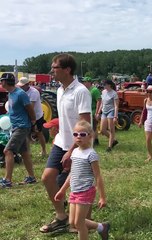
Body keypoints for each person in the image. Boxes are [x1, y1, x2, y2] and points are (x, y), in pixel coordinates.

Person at [40, 53, 92, 233]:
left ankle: (83, 222)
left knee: (80, 184)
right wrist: (57, 133)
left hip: (79, 145)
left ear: (67, 69)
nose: (52, 71)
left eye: (55, 68)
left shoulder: (80, 91)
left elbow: (84, 125)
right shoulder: (61, 89)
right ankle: (61, 216)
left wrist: (72, 150)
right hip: (61, 142)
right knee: (47, 177)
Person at [54, 120, 109, 240]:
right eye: (75, 134)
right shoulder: (74, 152)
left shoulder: (91, 154)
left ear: (90, 136)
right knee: (73, 222)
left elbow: (98, 176)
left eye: (82, 134)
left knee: (79, 223)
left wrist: (102, 197)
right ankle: (102, 227)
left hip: (85, 191)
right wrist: (63, 190)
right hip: (74, 191)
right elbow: (72, 173)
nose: (78, 137)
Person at [0, 73, 37, 188]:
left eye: (1, 81)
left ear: (6, 82)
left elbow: (30, 108)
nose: (0, 83)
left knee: (8, 151)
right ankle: (31, 177)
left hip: (22, 127)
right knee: (24, 153)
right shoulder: (10, 94)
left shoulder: (20, 94)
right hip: (16, 126)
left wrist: (33, 121)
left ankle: (7, 180)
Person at [17, 77, 48, 157]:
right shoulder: (20, 91)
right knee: (26, 134)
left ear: (27, 85)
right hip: (26, 116)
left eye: (22, 86)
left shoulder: (34, 92)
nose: (20, 87)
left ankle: (44, 150)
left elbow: (31, 107)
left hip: (36, 116)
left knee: (39, 133)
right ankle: (28, 152)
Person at [96, 80, 119, 152]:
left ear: (109, 85)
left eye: (105, 84)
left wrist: (115, 116)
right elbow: (102, 104)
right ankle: (113, 140)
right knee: (102, 130)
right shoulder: (103, 92)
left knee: (111, 129)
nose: (104, 86)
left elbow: (116, 106)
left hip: (111, 111)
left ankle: (109, 147)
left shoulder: (114, 93)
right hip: (104, 111)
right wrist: (98, 113)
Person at [81, 77, 101, 145]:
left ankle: (93, 140)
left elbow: (99, 101)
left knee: (92, 127)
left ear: (89, 82)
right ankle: (95, 140)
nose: (83, 83)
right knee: (91, 127)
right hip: (88, 110)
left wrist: (97, 112)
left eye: (85, 82)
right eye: (83, 82)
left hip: (93, 110)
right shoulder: (86, 90)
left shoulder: (94, 90)